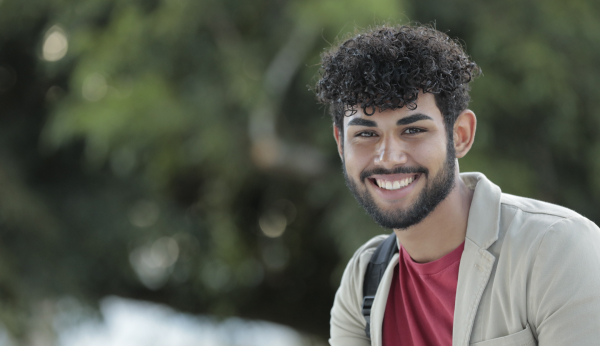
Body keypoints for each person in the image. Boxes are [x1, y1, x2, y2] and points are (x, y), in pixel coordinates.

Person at [314, 24, 600, 346]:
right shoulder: (363, 283)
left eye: (413, 131)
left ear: (460, 135)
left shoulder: (556, 249)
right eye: (366, 134)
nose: (389, 158)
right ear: (341, 144)